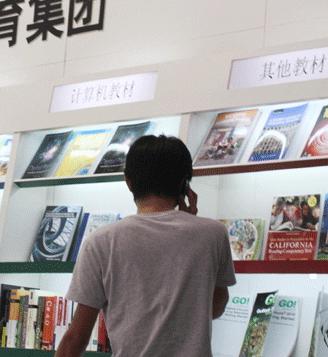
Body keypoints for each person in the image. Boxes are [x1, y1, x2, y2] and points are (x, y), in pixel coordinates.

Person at [55, 135, 236, 357]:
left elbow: (75, 340)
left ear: (128, 182)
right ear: (184, 184)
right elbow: (216, 307)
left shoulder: (100, 241)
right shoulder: (213, 234)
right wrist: (190, 222)